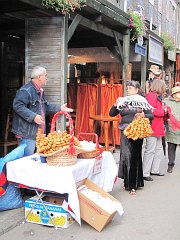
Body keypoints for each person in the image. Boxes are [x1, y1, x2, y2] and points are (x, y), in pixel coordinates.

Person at [12, 66, 73, 156]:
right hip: (28, 135)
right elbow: (17, 106)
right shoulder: (26, 90)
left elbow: (45, 106)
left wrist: (60, 108)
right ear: (39, 77)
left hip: (39, 134)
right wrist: (34, 117)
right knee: (27, 161)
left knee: (37, 162)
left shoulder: (40, 91)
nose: (47, 78)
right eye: (45, 75)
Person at [109, 80, 154, 195]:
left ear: (137, 90)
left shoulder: (142, 101)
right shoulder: (123, 101)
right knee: (125, 156)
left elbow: (151, 115)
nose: (128, 89)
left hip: (137, 131)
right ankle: (127, 182)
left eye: (130, 88)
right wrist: (115, 104)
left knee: (134, 156)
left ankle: (133, 185)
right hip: (125, 131)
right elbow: (112, 113)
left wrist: (143, 115)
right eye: (127, 88)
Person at [143, 79, 167, 181]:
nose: (164, 89)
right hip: (153, 126)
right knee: (150, 150)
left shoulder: (155, 96)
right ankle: (145, 172)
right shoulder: (152, 96)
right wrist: (163, 111)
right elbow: (150, 110)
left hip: (157, 126)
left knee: (157, 149)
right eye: (163, 87)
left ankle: (154, 170)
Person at [164, 86, 180, 173]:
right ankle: (170, 165)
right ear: (174, 94)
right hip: (172, 129)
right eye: (178, 92)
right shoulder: (167, 103)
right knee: (171, 149)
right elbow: (164, 114)